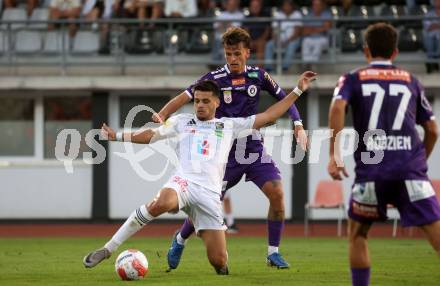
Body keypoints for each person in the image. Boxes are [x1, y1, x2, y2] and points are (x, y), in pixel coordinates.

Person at [83, 74, 316, 274]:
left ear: (217, 102)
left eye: (205, 101)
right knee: (161, 202)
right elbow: (149, 136)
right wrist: (117, 136)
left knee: (219, 261)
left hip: (210, 196)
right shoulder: (181, 122)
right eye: (196, 101)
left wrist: (297, 91)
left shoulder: (228, 126)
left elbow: (270, 114)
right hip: (183, 182)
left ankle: (205, 249)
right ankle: (108, 249)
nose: (200, 105)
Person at [153, 27, 309, 270]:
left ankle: (273, 253)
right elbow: (184, 96)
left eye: (237, 53)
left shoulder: (259, 76)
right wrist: (162, 114)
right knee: (206, 204)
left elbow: (284, 98)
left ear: (248, 52)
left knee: (277, 192)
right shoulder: (214, 78)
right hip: (222, 152)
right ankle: (180, 239)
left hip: (252, 147)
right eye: (228, 54)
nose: (233, 59)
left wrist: (298, 124)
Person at [328, 22, 440, 286]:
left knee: (358, 234)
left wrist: (334, 154)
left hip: (372, 171)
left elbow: (336, 108)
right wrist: (420, 159)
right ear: (395, 52)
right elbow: (432, 129)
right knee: (435, 233)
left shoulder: (352, 78)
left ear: (366, 51)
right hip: (411, 171)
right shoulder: (411, 80)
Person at [264, 0, 302, 72]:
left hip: (293, 39)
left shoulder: (297, 14)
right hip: (279, 40)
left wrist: (286, 41)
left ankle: (285, 68)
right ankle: (269, 68)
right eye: (285, 5)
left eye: (288, 5)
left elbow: (297, 33)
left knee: (291, 45)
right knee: (269, 45)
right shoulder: (278, 14)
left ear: (292, 6)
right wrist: (277, 40)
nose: (286, 7)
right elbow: (274, 31)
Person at [423, 0, 440, 73]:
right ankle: (432, 61)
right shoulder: (429, 14)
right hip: (431, 35)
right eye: (436, 1)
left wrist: (434, 25)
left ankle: (432, 61)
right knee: (429, 37)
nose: (438, 2)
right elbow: (427, 27)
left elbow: (432, 26)